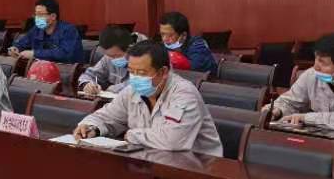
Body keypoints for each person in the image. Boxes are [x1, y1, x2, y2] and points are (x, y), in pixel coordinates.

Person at [75, 41, 223, 155]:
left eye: (141, 72)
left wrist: (132, 135)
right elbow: (106, 116)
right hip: (152, 159)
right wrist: (91, 127)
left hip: (198, 167)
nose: (135, 78)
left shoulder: (184, 94)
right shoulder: (132, 91)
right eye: (131, 72)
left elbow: (172, 141)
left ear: (163, 72)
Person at [11, 0, 85, 64]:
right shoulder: (37, 30)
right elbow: (22, 43)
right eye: (36, 14)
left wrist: (34, 53)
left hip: (67, 71)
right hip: (42, 69)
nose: (37, 18)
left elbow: (64, 53)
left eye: (40, 14)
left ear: (53, 16)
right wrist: (15, 48)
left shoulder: (69, 30)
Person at [78, 25, 137, 96]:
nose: (113, 59)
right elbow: (89, 74)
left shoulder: (142, 60)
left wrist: (111, 89)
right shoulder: (107, 58)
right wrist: (87, 84)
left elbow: (137, 84)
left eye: (117, 55)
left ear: (130, 48)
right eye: (110, 56)